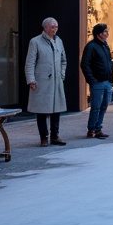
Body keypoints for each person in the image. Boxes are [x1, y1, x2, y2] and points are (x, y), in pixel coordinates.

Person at [25, 17, 68, 147]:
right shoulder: (35, 41)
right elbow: (30, 62)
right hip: (42, 81)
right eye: (52, 27)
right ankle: (44, 137)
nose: (54, 29)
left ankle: (55, 135)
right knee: (42, 110)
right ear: (45, 28)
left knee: (56, 109)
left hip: (56, 81)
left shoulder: (59, 41)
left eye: (56, 27)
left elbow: (63, 60)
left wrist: (61, 74)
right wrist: (31, 80)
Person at [80, 23, 113, 139]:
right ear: (99, 34)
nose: (107, 34)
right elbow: (85, 64)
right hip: (97, 82)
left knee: (104, 105)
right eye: (105, 32)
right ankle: (91, 129)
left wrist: (111, 79)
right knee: (96, 107)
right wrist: (92, 79)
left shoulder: (105, 46)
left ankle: (98, 128)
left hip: (107, 81)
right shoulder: (91, 46)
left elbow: (108, 62)